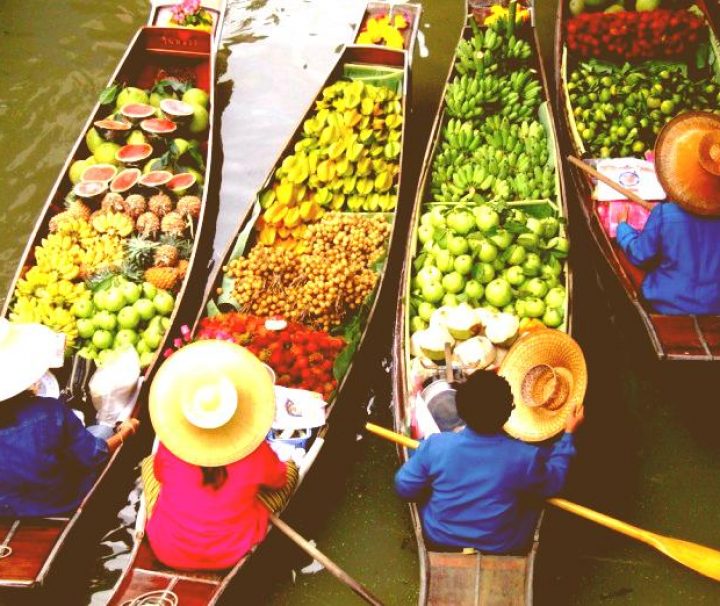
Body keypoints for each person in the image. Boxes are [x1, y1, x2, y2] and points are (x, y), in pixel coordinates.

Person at [395, 330, 586, 554]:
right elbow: (554, 482)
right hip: (502, 543)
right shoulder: (525, 456)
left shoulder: (435, 446)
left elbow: (404, 488)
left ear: (462, 413)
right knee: (533, 498)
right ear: (508, 415)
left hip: (438, 535)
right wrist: (568, 435)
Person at [143, 339, 297, 571]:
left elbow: (160, 474)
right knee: (290, 471)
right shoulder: (254, 452)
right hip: (229, 553)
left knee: (149, 465)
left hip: (167, 548)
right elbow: (279, 481)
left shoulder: (172, 445)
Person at [0, 319, 139, 518]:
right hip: (63, 500)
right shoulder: (48, 413)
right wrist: (127, 431)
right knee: (102, 429)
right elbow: (94, 454)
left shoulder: (48, 414)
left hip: (11, 510)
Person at [615, 111, 720, 315]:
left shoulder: (666, 214)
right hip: (714, 305)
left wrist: (623, 228)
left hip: (666, 302)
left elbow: (640, 255)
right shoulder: (667, 215)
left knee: (624, 253)